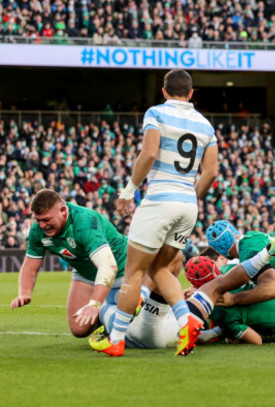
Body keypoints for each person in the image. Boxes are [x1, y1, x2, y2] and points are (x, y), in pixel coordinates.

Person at [90, 69, 220, 357]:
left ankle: (118, 340)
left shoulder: (156, 113)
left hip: (159, 199)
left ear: (163, 92)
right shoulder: (205, 125)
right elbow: (211, 172)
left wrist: (128, 191)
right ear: (190, 93)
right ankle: (187, 322)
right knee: (159, 268)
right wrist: (189, 196)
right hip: (188, 205)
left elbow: (149, 153)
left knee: (135, 271)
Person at [10, 189, 124, 338]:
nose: (42, 225)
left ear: (63, 211)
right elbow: (30, 267)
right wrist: (24, 294)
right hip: (85, 271)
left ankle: (112, 309)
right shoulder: (37, 230)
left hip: (122, 268)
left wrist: (95, 304)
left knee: (140, 330)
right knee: (79, 328)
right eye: (38, 220)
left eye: (46, 220)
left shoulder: (85, 222)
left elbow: (108, 266)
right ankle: (108, 314)